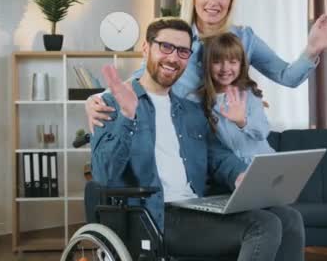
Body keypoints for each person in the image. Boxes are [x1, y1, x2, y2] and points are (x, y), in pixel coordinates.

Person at [92, 17, 305, 260]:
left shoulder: (191, 111)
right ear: (146, 48)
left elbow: (219, 157)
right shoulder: (113, 104)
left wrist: (239, 175)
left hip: (195, 207)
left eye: (183, 51)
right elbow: (103, 174)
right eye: (165, 47)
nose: (173, 58)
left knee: (289, 218)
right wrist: (128, 117)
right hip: (154, 217)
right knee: (262, 225)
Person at [86, 0, 327, 130]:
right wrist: (96, 98)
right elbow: (142, 80)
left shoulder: (245, 38)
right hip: (184, 137)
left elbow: (287, 76)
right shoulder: (176, 38)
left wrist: (312, 48)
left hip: (229, 138)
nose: (214, 2)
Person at [197, 32, 274, 164]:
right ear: (207, 64)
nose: (225, 68)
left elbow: (262, 132)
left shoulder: (249, 94)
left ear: (241, 65)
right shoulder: (200, 100)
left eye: (233, 62)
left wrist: (242, 121)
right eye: (217, 62)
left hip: (264, 163)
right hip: (231, 170)